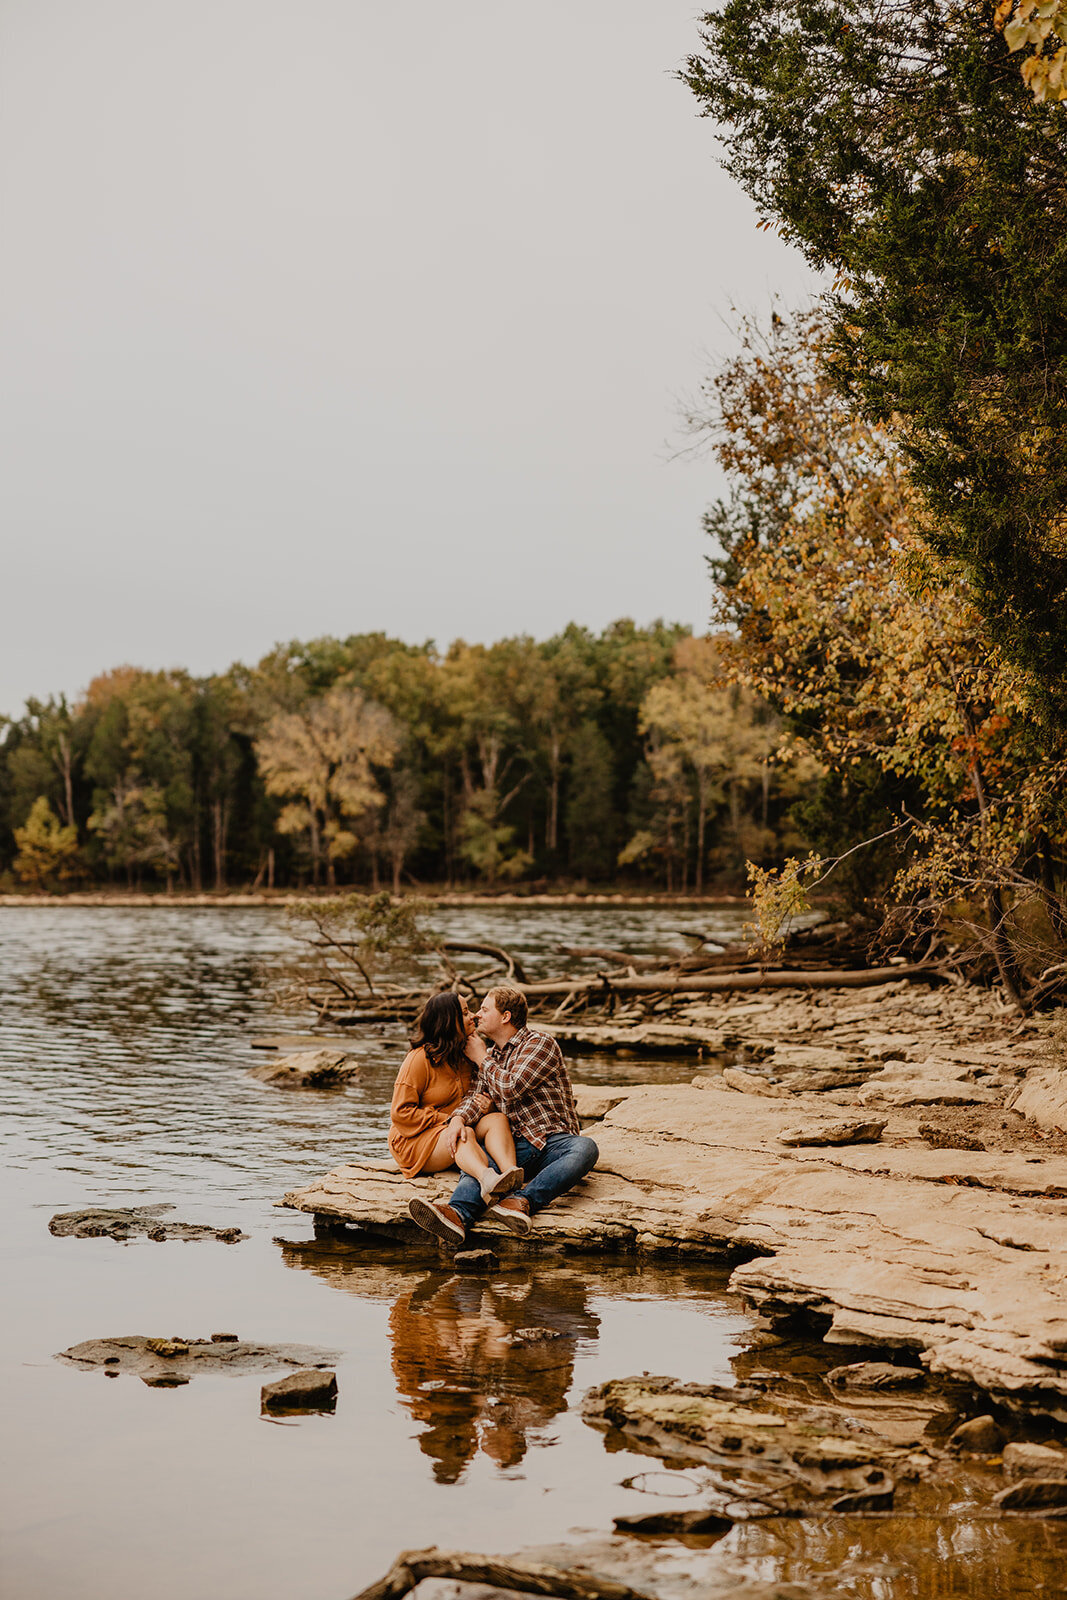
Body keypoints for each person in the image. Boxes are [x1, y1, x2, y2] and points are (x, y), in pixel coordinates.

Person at [407, 983, 598, 1245]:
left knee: (586, 1148)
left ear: (505, 1016)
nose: (476, 1015)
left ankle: (521, 1201)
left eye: (484, 1010)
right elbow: (475, 1097)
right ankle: (458, 1215)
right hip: (513, 1144)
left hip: (552, 1142)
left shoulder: (539, 1043)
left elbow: (512, 1087)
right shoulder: (492, 1055)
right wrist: (458, 1120)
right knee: (481, 1162)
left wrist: (481, 1059)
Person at [389, 992, 523, 1206]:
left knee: (497, 1119)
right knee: (464, 1132)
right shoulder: (418, 1059)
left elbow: (479, 1097)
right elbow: (400, 1114)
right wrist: (449, 1120)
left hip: (456, 1128)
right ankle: (487, 1179)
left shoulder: (469, 1055)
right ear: (448, 1021)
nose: (474, 1016)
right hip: (415, 1140)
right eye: (465, 1013)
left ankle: (511, 1177)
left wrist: (488, 1107)